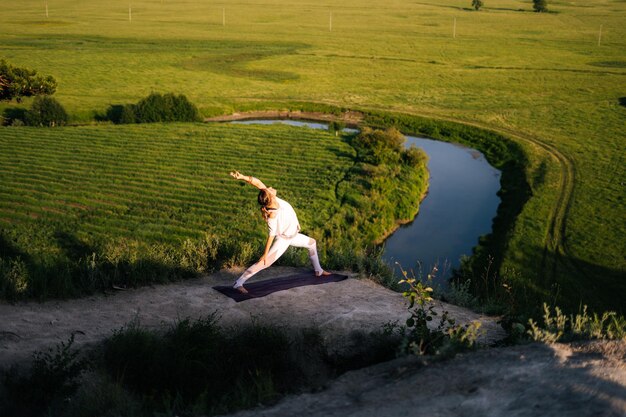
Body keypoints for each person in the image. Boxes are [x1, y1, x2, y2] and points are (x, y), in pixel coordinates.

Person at [229, 171, 331, 294]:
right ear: (270, 197)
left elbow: (257, 182)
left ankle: (318, 270)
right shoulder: (272, 215)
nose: (270, 188)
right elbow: (271, 236)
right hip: (284, 240)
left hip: (293, 236)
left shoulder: (272, 197)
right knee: (264, 263)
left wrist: (242, 177)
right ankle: (238, 283)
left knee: (312, 243)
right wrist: (265, 254)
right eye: (269, 189)